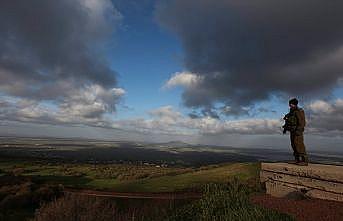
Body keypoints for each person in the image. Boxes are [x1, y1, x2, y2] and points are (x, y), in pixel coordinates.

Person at [283, 98, 308, 166]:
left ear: (294, 104)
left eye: (291, 104)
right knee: (294, 145)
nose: (290, 105)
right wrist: (285, 128)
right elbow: (288, 120)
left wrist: (299, 131)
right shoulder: (291, 112)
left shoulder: (299, 111)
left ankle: (304, 160)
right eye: (289, 104)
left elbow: (302, 122)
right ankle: (297, 159)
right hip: (292, 131)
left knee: (299, 145)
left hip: (297, 131)